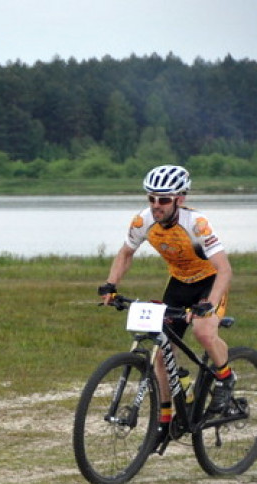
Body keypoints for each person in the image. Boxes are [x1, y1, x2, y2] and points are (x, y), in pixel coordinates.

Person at [98, 164, 235, 447]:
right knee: (161, 355)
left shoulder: (196, 224)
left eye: (163, 199)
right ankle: (164, 421)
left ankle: (226, 378)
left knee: (204, 332)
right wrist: (111, 285)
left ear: (179, 199)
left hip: (209, 282)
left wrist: (208, 305)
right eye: (151, 198)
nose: (156, 205)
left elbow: (224, 269)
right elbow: (126, 253)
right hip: (179, 284)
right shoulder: (143, 221)